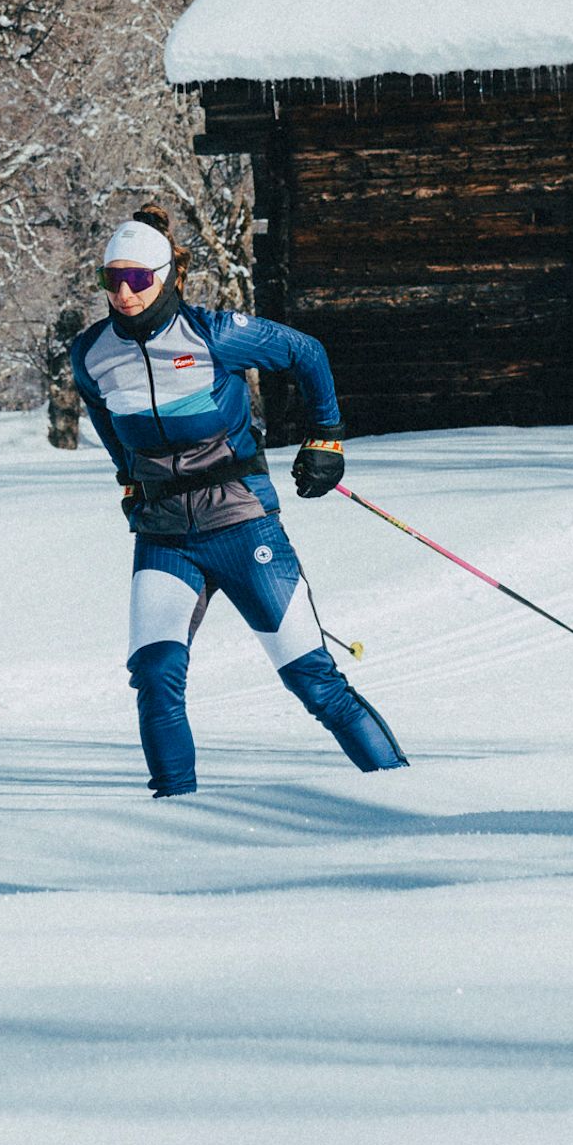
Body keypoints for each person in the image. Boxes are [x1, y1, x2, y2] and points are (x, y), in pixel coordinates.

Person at [66, 207, 406, 793]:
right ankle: (176, 815)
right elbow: (103, 416)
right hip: (166, 536)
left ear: (169, 275)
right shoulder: (91, 353)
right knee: (155, 672)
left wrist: (326, 438)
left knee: (312, 681)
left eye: (139, 279)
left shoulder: (213, 334)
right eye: (110, 279)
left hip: (243, 524)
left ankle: (405, 792)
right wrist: (128, 478)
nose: (123, 292)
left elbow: (307, 352)